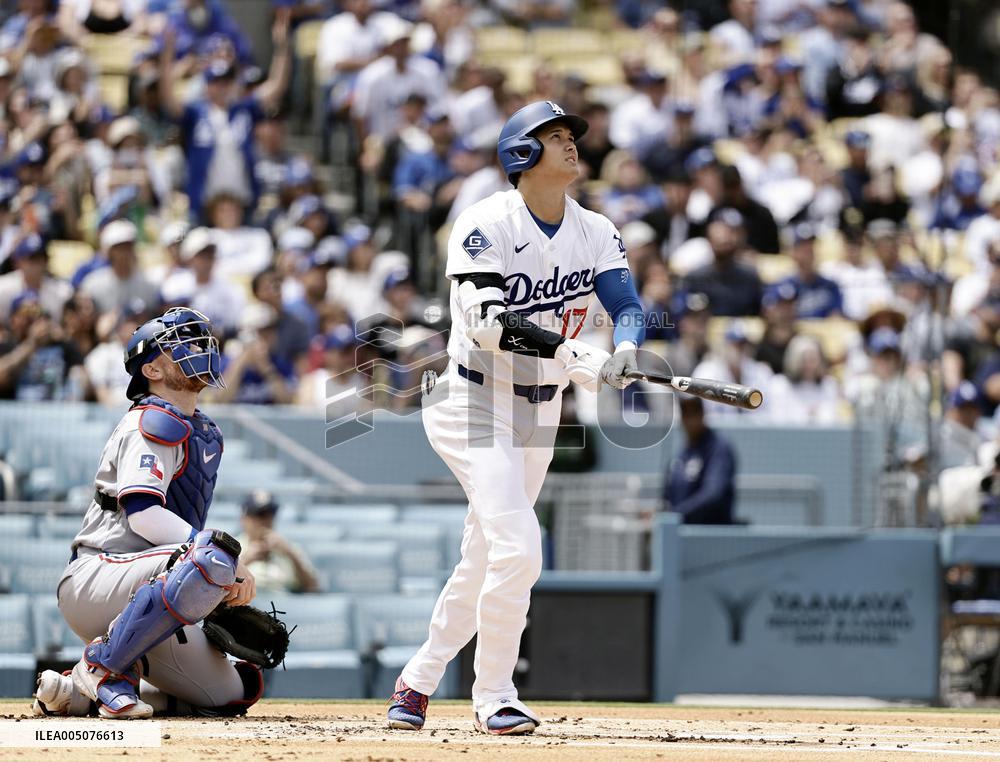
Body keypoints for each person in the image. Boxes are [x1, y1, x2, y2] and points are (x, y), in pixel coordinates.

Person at [386, 101, 645, 734]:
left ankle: (417, 681)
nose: (572, 146)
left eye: (571, 137)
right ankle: (495, 693)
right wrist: (572, 351)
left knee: (486, 556)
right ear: (521, 155)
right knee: (522, 547)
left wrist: (626, 351)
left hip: (541, 408)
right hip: (473, 402)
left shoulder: (596, 229)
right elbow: (487, 323)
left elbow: (626, 304)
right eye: (556, 137)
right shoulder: (484, 223)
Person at [33, 308, 262, 719]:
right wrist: (228, 564)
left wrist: (214, 591)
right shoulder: (152, 421)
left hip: (152, 583)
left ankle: (77, 693)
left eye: (198, 342)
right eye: (181, 346)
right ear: (152, 368)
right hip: (98, 576)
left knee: (232, 694)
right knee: (212, 557)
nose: (198, 350)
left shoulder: (202, 429)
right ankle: (102, 666)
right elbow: (143, 515)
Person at [663, 396, 737, 524]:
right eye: (685, 413)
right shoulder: (681, 455)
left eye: (695, 412)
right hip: (678, 535)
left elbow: (713, 494)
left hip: (709, 535)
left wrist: (676, 514)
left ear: (703, 413)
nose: (690, 419)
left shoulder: (718, 448)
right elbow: (667, 497)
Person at [237, 490, 319, 594]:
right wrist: (244, 561)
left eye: (270, 514)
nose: (265, 521)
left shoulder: (289, 548)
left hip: (285, 606)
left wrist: (290, 555)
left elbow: (313, 588)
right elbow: (218, 590)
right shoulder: (232, 549)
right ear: (244, 519)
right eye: (259, 515)